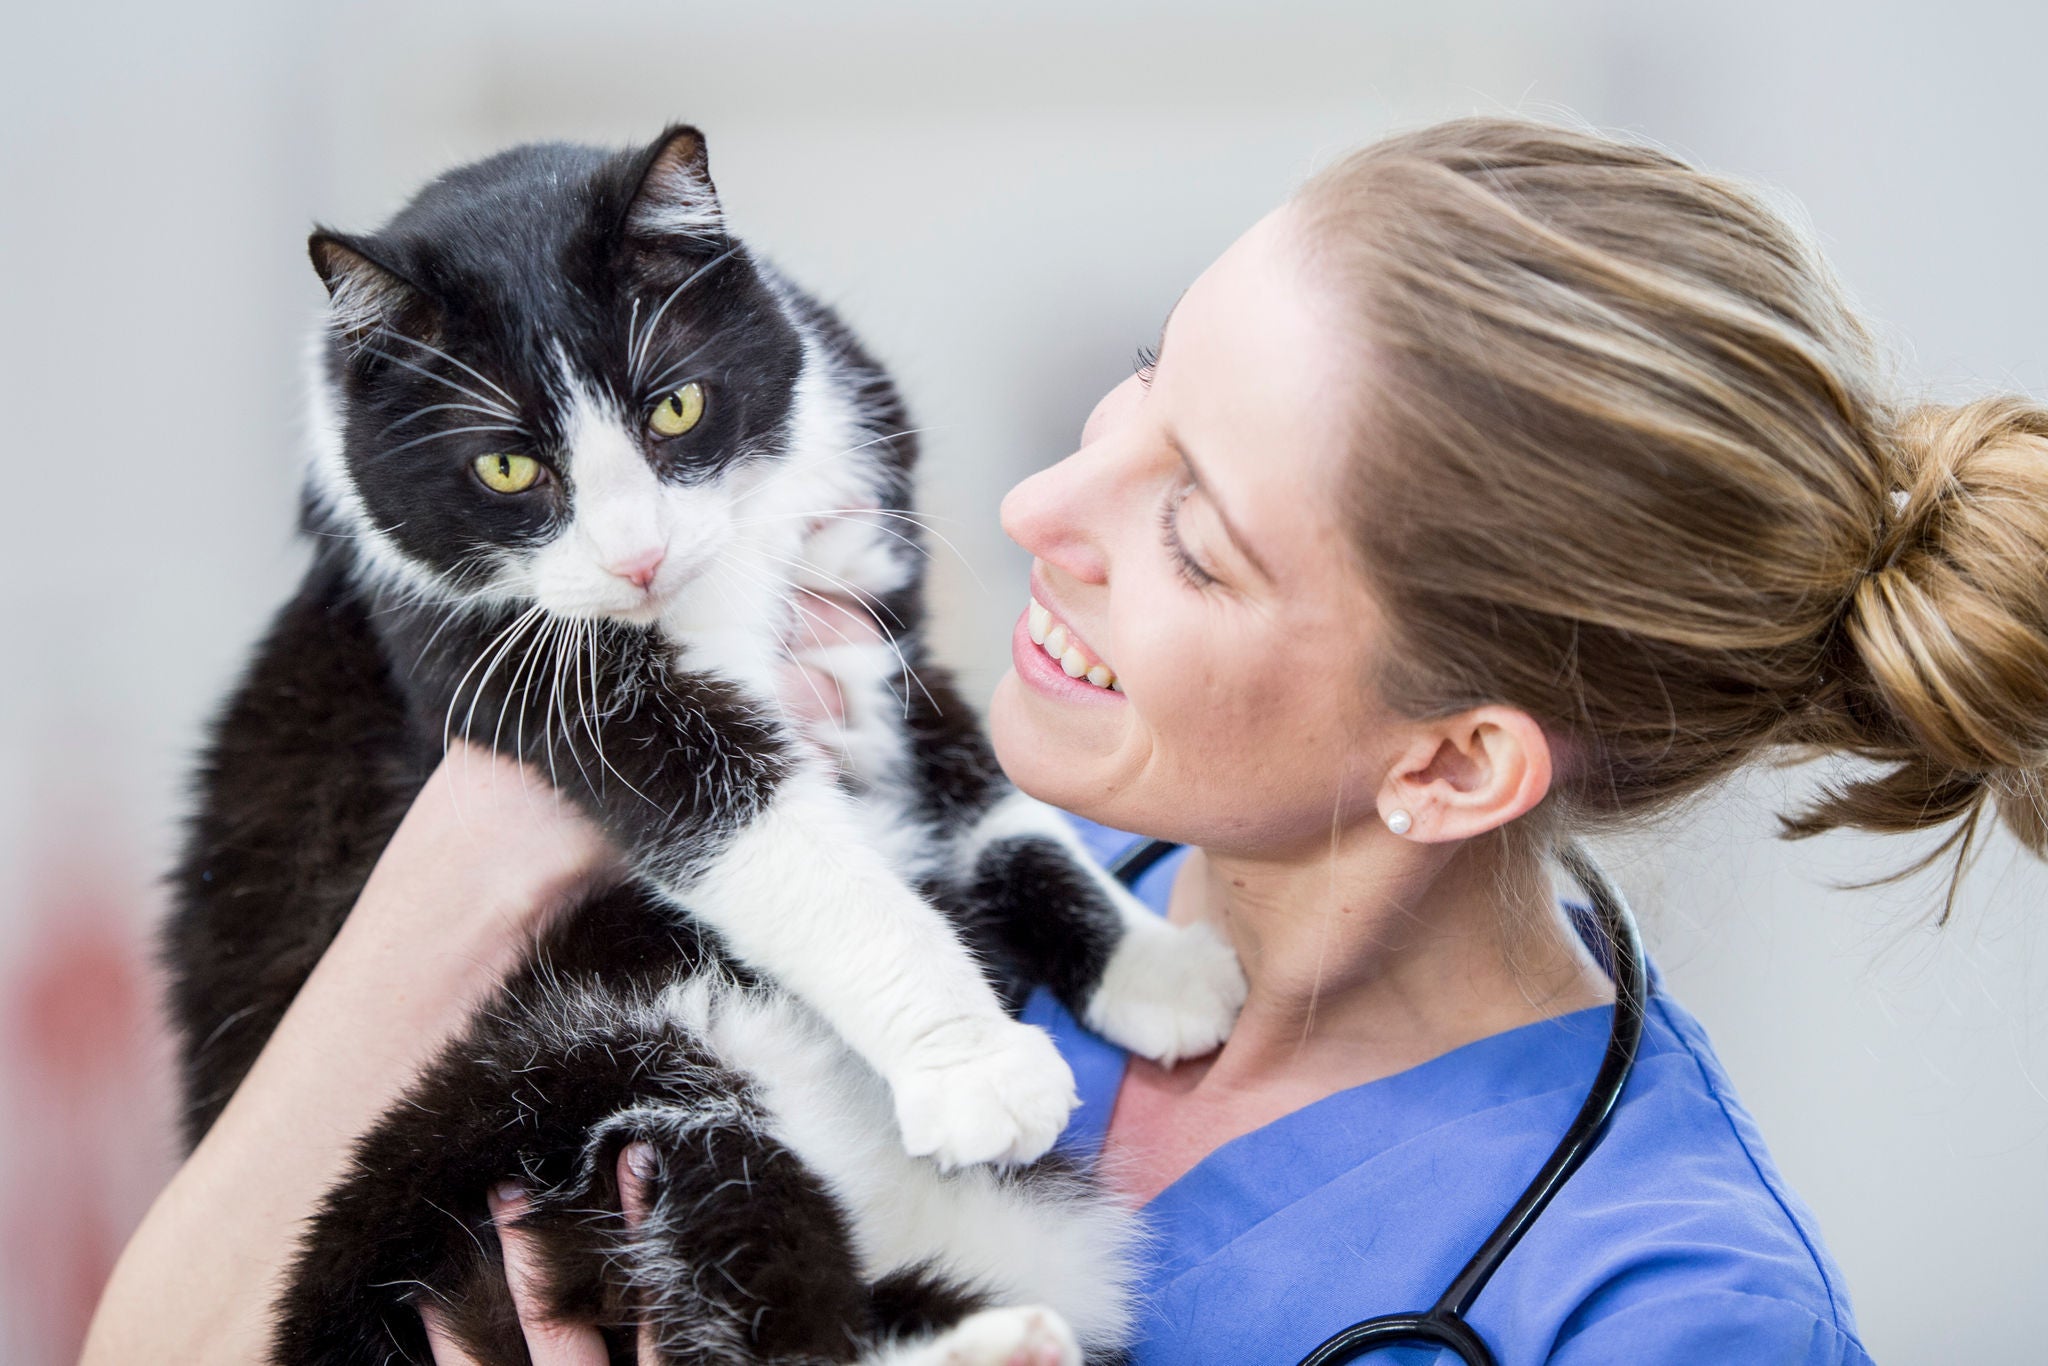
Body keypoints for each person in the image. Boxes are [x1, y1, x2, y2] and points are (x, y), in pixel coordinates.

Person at [85, 116, 2048, 1363]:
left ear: (1453, 760)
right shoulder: (964, 888)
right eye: (1138, 387)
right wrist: (469, 874)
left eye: (1188, 531)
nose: (1039, 507)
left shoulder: (1661, 1306)